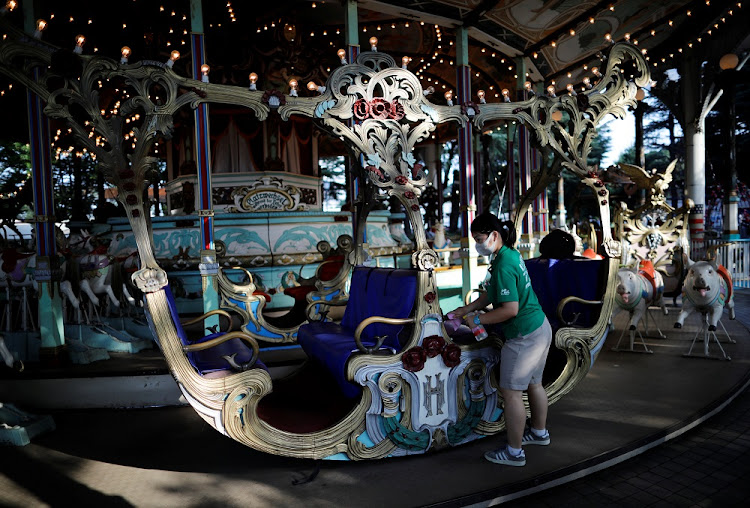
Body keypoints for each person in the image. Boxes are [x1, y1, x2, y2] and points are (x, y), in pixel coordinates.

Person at [448, 211, 552, 467]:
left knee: (512, 392)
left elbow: (509, 309)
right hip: (540, 327)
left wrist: (477, 320)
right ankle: (539, 433)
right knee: (534, 384)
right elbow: (490, 294)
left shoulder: (503, 263)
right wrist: (465, 310)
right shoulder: (508, 255)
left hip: (524, 335)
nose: (477, 244)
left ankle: (514, 452)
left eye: (480, 238)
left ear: (494, 235)